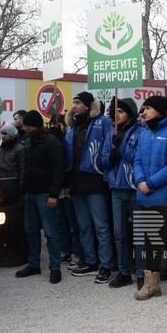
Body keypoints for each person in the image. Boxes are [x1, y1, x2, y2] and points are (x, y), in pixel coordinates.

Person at [132, 95, 167, 306]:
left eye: (147, 108)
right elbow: (137, 160)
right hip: (145, 197)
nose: (143, 112)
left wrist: (151, 184)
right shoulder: (144, 133)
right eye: (142, 109)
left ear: (159, 110)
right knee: (149, 243)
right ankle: (152, 284)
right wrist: (140, 181)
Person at [64, 91, 115, 284]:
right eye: (73, 102)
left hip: (95, 182)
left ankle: (106, 265)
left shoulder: (102, 123)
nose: (74, 106)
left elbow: (108, 148)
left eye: (77, 102)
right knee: (83, 226)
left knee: (101, 226)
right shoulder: (72, 127)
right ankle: (91, 261)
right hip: (76, 183)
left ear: (87, 105)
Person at [14, 110, 64, 284]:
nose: (24, 129)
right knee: (31, 230)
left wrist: (53, 195)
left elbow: (59, 170)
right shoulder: (29, 142)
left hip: (45, 195)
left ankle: (55, 268)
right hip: (31, 193)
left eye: (26, 126)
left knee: (51, 233)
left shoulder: (51, 143)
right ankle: (34, 264)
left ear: (33, 126)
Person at [105, 97, 142, 288]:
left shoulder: (141, 131)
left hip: (135, 188)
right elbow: (102, 161)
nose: (115, 114)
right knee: (119, 234)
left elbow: (137, 158)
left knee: (140, 232)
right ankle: (124, 271)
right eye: (114, 111)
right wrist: (110, 156)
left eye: (120, 111)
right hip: (117, 189)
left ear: (130, 113)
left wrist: (121, 145)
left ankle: (143, 273)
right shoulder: (112, 131)